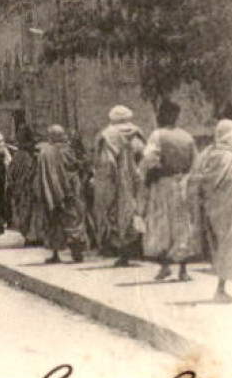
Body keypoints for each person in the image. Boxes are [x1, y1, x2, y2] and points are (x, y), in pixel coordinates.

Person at [189, 119, 232, 302]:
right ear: (227, 137)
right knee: (230, 245)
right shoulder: (223, 156)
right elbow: (209, 181)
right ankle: (222, 289)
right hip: (228, 209)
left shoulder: (216, 153)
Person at [143, 99, 202, 282]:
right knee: (182, 225)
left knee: (162, 226)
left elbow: (149, 159)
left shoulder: (157, 135)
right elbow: (196, 163)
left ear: (164, 115)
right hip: (183, 184)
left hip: (164, 185)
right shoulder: (187, 136)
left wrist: (149, 173)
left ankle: (165, 266)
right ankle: (183, 270)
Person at [93, 105, 147, 262]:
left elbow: (107, 163)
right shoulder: (137, 134)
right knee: (136, 211)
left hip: (118, 181)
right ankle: (135, 249)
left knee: (116, 214)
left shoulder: (108, 136)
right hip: (137, 180)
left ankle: (123, 253)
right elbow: (144, 155)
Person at [36, 124, 87, 263]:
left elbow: (42, 175)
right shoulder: (68, 150)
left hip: (53, 192)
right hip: (71, 191)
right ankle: (77, 253)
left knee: (55, 222)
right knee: (74, 220)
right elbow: (78, 166)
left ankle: (55, 254)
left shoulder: (45, 153)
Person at [8, 125, 44, 247]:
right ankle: (35, 236)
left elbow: (11, 173)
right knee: (33, 213)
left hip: (24, 188)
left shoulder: (19, 156)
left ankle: (31, 237)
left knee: (25, 213)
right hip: (32, 188)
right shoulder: (34, 154)